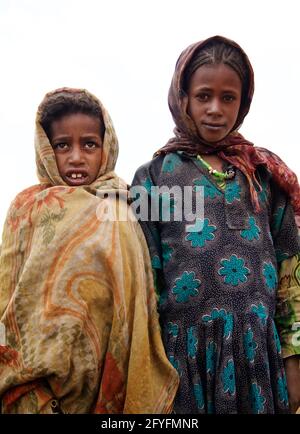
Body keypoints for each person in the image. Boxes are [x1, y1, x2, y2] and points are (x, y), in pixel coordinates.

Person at [131, 36, 300, 414]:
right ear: (183, 97)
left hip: (258, 354)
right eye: (204, 95)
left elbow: (291, 268)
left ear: (243, 103)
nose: (215, 109)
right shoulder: (154, 177)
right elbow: (144, 278)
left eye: (228, 98)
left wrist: (293, 357)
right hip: (184, 356)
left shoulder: (263, 174)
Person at [0, 87, 178, 414]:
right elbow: (7, 296)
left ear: (106, 147)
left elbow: (139, 298)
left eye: (89, 144)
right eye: (62, 145)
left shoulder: (122, 207)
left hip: (106, 383)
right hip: (36, 390)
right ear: (45, 149)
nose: (77, 157)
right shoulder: (26, 209)